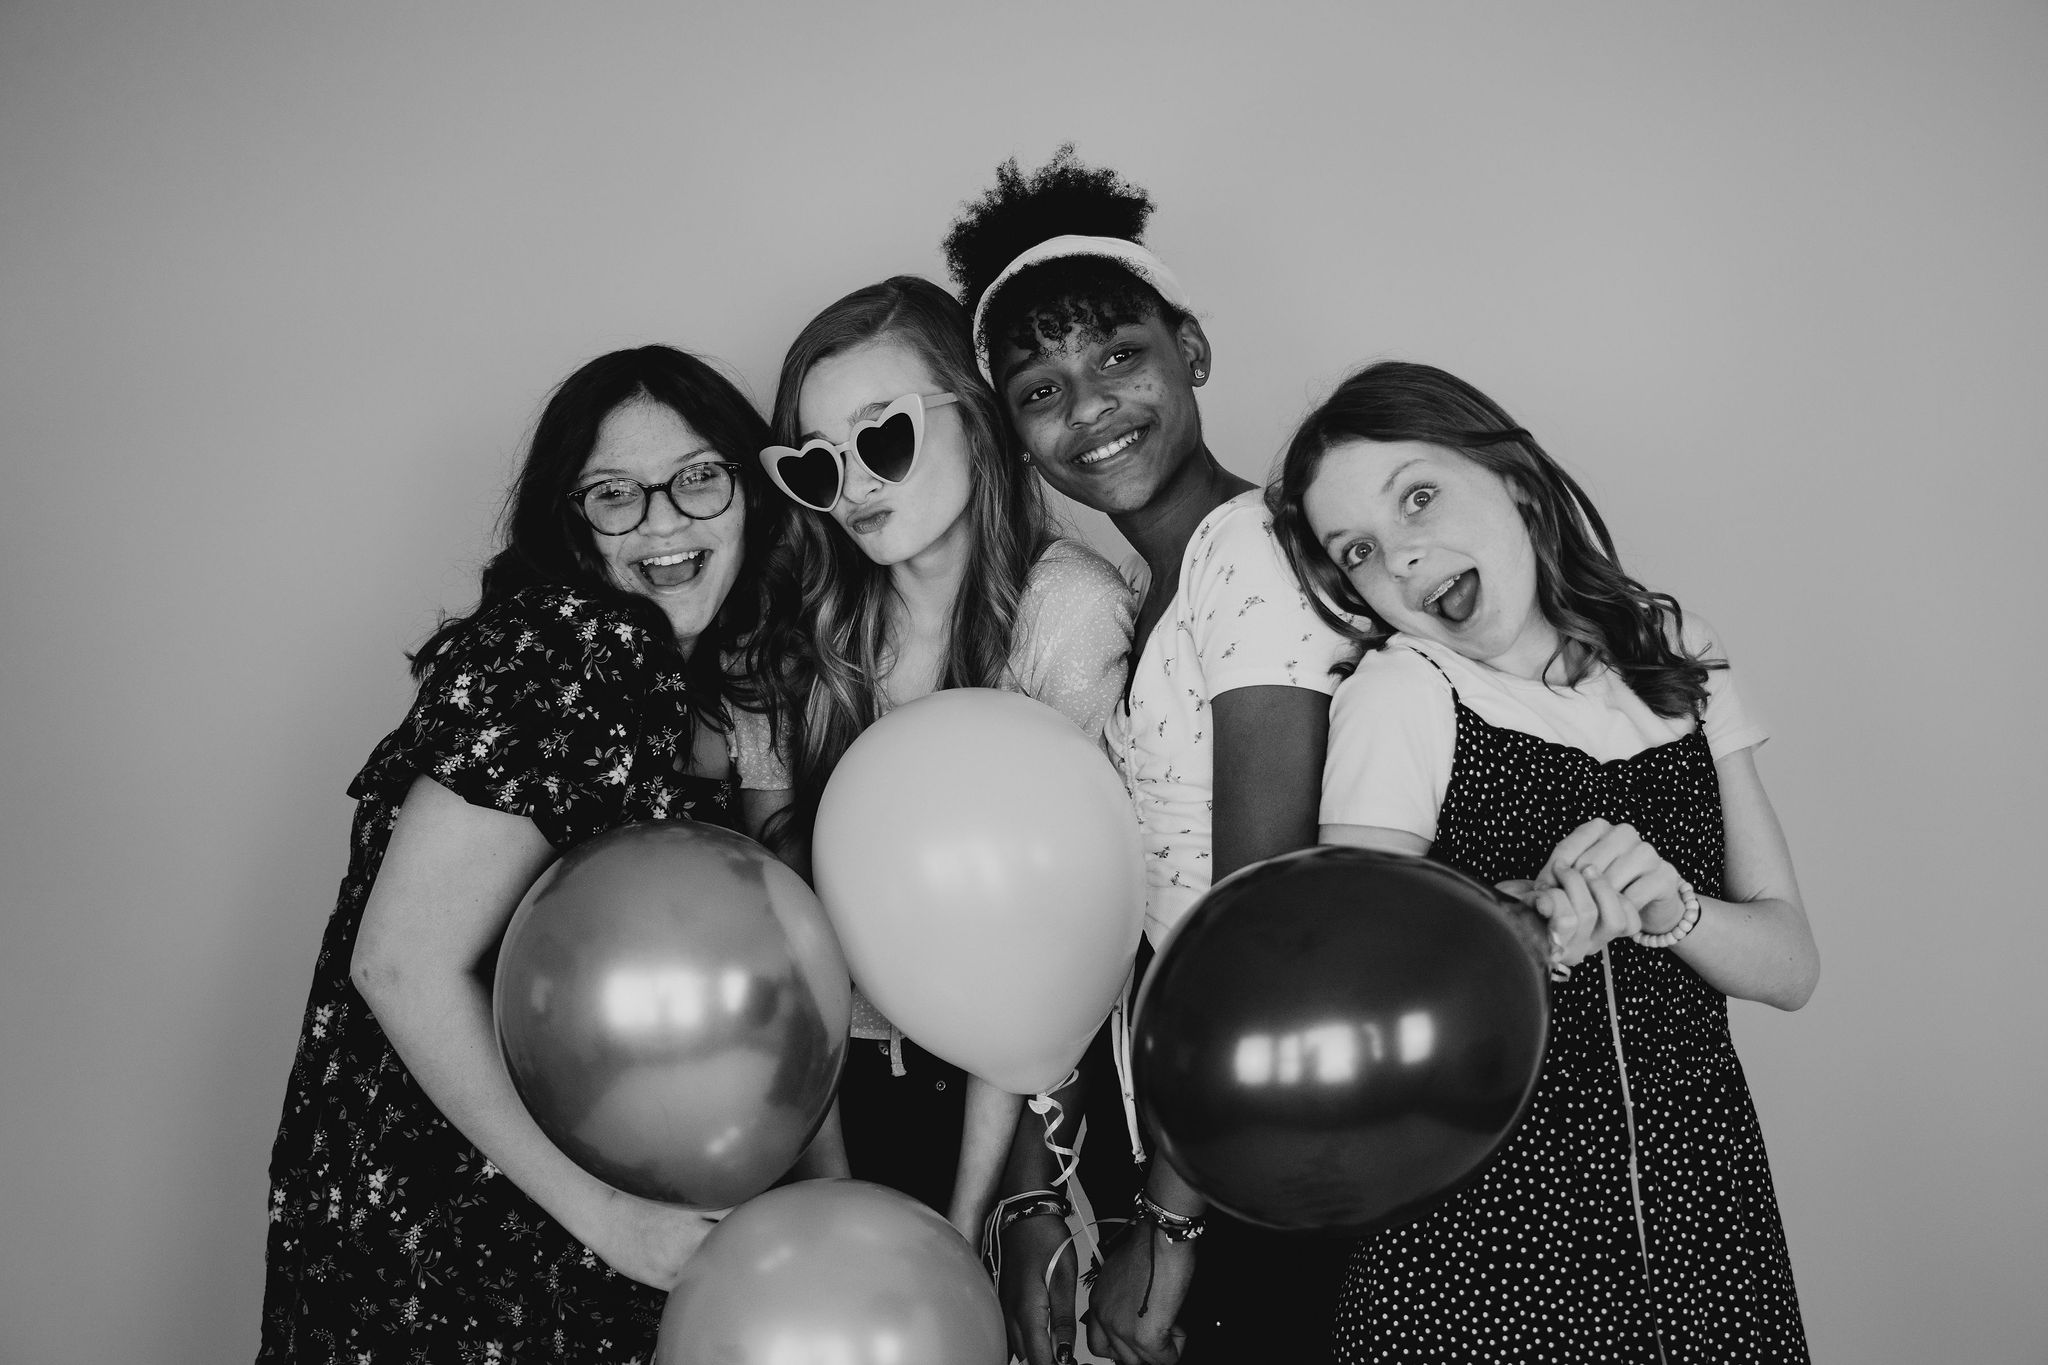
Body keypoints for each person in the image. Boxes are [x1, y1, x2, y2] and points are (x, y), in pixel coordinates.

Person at [1268, 360, 1817, 1363]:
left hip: (1702, 1210)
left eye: (1417, 497)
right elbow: (1348, 1009)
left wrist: (1676, 910)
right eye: (1358, 551)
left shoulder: (1671, 649)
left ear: (1513, 477)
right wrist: (1523, 930)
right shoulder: (1402, 694)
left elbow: (1792, 966)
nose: (1400, 555)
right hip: (1489, 1239)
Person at [258, 345, 797, 1363]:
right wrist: (609, 1220)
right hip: (456, 1233)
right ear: (572, 521)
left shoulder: (703, 685)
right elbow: (399, 965)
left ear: (750, 493)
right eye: (615, 495)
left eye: (698, 478)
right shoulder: (568, 650)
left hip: (565, 1214)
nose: (664, 523)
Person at [944, 147, 1357, 1365]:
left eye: (1119, 357)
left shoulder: (1250, 555)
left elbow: (1258, 919)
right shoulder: (1149, 587)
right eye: (1041, 389)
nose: (1088, 408)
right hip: (1198, 1127)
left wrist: (1170, 1231)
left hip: (1269, 1130)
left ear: (1193, 350)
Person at [734, 274, 1135, 1244]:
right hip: (824, 1092)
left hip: (1017, 1103)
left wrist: (966, 1222)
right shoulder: (793, 641)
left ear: (976, 417)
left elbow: (1050, 944)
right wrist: (831, 1183)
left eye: (883, 437)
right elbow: (782, 935)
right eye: (817, 464)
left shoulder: (1067, 612)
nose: (855, 486)